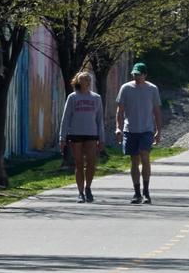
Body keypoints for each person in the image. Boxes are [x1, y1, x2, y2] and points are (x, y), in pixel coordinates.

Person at [115, 62, 164, 204]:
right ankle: (137, 193)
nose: (136, 77)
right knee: (134, 160)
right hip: (130, 129)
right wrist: (118, 127)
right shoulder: (126, 88)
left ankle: (146, 192)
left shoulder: (152, 89)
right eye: (134, 74)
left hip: (146, 130)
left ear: (145, 75)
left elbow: (157, 111)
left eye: (139, 74)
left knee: (145, 156)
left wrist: (158, 131)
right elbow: (120, 110)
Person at [60, 70, 105, 202]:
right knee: (78, 163)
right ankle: (80, 192)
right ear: (78, 82)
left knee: (91, 162)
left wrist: (101, 139)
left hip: (91, 134)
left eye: (86, 80)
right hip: (75, 134)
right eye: (81, 80)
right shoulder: (73, 97)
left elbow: (99, 119)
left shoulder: (96, 98)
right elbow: (66, 118)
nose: (83, 82)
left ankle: (88, 187)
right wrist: (62, 137)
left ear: (89, 82)